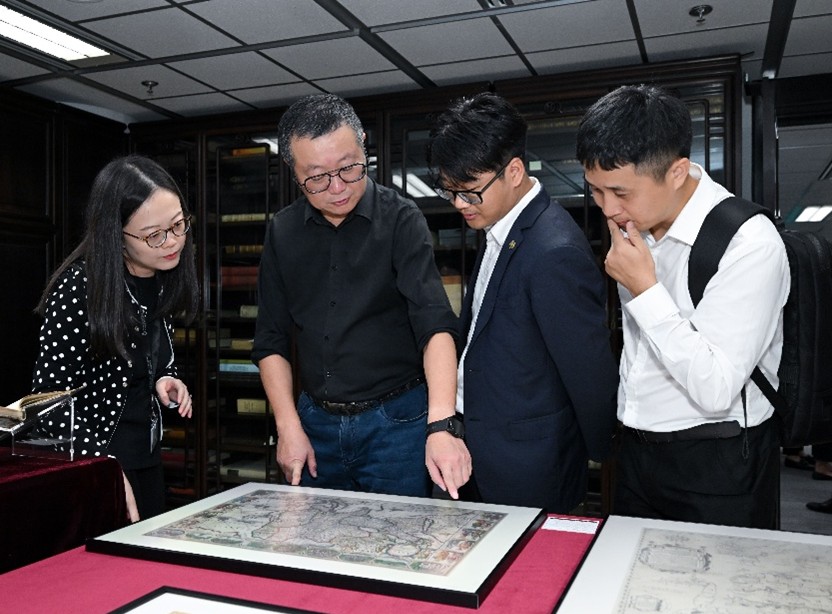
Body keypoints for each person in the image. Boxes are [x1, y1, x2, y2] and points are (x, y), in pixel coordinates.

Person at [576, 84, 790, 529]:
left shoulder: (748, 243)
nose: (608, 208)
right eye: (595, 191)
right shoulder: (636, 224)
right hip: (635, 452)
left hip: (718, 460)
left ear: (676, 173)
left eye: (621, 192)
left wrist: (645, 290)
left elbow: (715, 388)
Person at [252, 93, 471, 499]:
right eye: (317, 177)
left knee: (405, 547)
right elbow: (271, 339)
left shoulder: (401, 219)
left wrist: (442, 424)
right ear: (293, 171)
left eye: (349, 168)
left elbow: (435, 323)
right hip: (314, 424)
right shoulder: (283, 232)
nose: (337, 188)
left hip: (398, 422)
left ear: (364, 146)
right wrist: (287, 425)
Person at [426, 92, 619, 512]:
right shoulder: (501, 225)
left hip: (531, 466)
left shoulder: (554, 249)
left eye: (470, 191)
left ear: (514, 171)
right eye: (450, 192)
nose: (459, 204)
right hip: (483, 450)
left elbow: (587, 372)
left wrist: (606, 457)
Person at [32, 154, 199, 522]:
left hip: (147, 459)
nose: (171, 242)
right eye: (154, 235)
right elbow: (49, 402)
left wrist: (166, 377)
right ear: (116, 235)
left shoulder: (160, 276)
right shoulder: (78, 289)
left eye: (178, 226)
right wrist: (103, 467)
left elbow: (146, 357)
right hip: (94, 465)